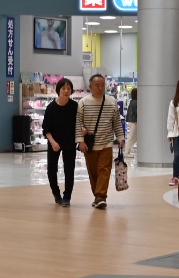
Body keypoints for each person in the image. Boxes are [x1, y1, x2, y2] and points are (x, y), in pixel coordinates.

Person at [75, 73, 124, 210]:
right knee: (93, 172)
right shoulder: (83, 103)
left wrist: (120, 137)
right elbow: (78, 123)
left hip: (106, 142)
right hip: (90, 144)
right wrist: (80, 141)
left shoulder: (111, 102)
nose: (100, 88)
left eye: (102, 85)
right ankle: (97, 196)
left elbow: (116, 122)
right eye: (97, 85)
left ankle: (101, 197)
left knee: (104, 170)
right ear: (90, 86)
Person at [42, 78, 78, 206]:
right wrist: (53, 142)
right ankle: (56, 194)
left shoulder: (75, 106)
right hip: (54, 142)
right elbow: (46, 129)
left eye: (68, 88)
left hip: (70, 142)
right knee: (52, 169)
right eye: (63, 88)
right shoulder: (51, 108)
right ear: (58, 90)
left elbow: (79, 124)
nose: (66, 91)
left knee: (69, 169)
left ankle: (67, 197)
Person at [125, 87, 138, 161]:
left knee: (133, 137)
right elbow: (137, 112)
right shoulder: (136, 102)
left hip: (131, 121)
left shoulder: (132, 101)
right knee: (132, 138)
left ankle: (128, 151)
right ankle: (127, 152)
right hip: (134, 121)